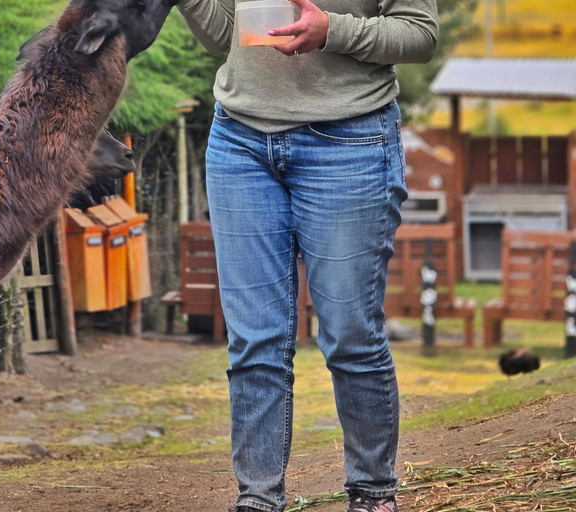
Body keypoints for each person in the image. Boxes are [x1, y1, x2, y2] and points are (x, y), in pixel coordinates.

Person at [174, 0, 439, 511]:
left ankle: (372, 491)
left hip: (349, 140)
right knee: (254, 340)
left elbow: (420, 34)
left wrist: (331, 30)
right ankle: (258, 498)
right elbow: (227, 36)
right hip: (240, 142)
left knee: (349, 334)